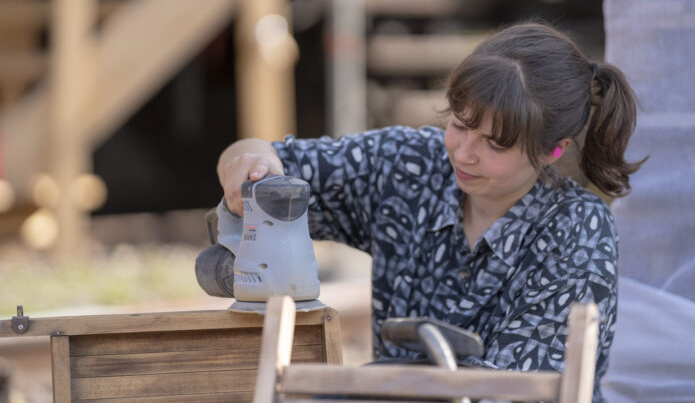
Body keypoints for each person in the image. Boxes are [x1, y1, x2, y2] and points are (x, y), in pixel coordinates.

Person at [215, 22, 644, 402]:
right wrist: (251, 168)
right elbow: (266, 153)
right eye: (460, 124)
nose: (465, 153)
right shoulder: (413, 163)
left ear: (554, 150)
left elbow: (509, 393)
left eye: (495, 144)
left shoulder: (578, 229)